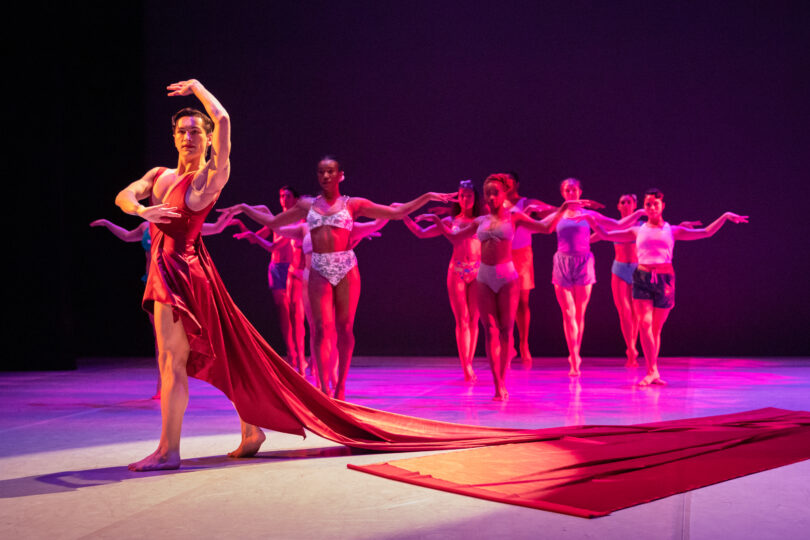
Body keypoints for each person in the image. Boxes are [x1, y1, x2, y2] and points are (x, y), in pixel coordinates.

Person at [222, 156, 453, 399]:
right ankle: (323, 388)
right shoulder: (306, 205)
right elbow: (273, 222)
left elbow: (396, 213)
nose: (326, 176)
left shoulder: (353, 204)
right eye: (321, 172)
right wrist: (244, 208)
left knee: (344, 328)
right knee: (321, 328)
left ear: (340, 175)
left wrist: (427, 196)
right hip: (318, 267)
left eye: (331, 171)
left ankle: (340, 386)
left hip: (345, 266)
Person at [419, 174, 599, 400]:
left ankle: (503, 381)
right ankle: (497, 384)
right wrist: (438, 223)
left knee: (506, 330)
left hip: (507, 276)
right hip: (484, 276)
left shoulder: (514, 216)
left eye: (495, 193)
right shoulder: (480, 221)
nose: (491, 197)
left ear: (504, 194)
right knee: (490, 330)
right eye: (488, 194)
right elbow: (455, 238)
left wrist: (563, 209)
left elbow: (545, 228)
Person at [582, 188, 747, 385]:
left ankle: (654, 371)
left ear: (662, 206)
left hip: (665, 279)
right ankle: (651, 371)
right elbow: (606, 234)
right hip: (642, 277)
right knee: (644, 324)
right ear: (644, 207)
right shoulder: (637, 230)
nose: (652, 207)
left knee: (655, 329)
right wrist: (591, 221)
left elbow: (705, 232)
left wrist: (725, 216)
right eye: (648, 204)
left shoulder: (672, 230)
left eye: (655, 204)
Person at [90, 212, 246, 398]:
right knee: (159, 338)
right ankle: (162, 386)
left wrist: (230, 214)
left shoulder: (180, 224)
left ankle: (189, 376)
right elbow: (127, 236)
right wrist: (107, 223)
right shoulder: (145, 226)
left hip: (173, 284)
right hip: (152, 284)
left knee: (178, 335)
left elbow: (215, 228)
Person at [552, 178, 644, 377]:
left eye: (574, 189)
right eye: (567, 190)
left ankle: (579, 352)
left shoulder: (589, 215)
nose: (571, 193)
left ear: (580, 192)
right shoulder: (557, 214)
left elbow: (616, 224)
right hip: (563, 263)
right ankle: (574, 356)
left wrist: (639, 213)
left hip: (585, 263)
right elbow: (539, 224)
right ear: (562, 193)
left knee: (579, 314)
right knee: (568, 313)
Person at [402, 179, 482, 381]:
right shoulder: (450, 221)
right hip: (457, 271)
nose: (466, 199)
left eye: (469, 195)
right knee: (462, 319)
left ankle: (469, 361)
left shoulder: (481, 220)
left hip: (478, 270)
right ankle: (466, 367)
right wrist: (403, 215)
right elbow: (421, 233)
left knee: (474, 319)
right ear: (457, 198)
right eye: (462, 195)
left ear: (475, 197)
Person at [232, 186, 305, 373]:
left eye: (287, 196)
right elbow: (255, 237)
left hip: (291, 267)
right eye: (281, 196)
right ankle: (291, 354)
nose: (284, 199)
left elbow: (273, 245)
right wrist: (241, 226)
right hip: (275, 268)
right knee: (283, 313)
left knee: (295, 314)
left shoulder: (297, 221)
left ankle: (300, 355)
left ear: (295, 199)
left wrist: (254, 237)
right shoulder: (276, 220)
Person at [504, 172, 556, 368]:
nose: (505, 184)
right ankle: (508, 344)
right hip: (503, 255)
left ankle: (524, 343)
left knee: (522, 302)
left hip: (523, 254)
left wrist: (541, 211)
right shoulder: (497, 203)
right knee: (505, 302)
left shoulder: (526, 202)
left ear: (516, 183)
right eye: (502, 181)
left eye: (509, 181)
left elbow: (552, 211)